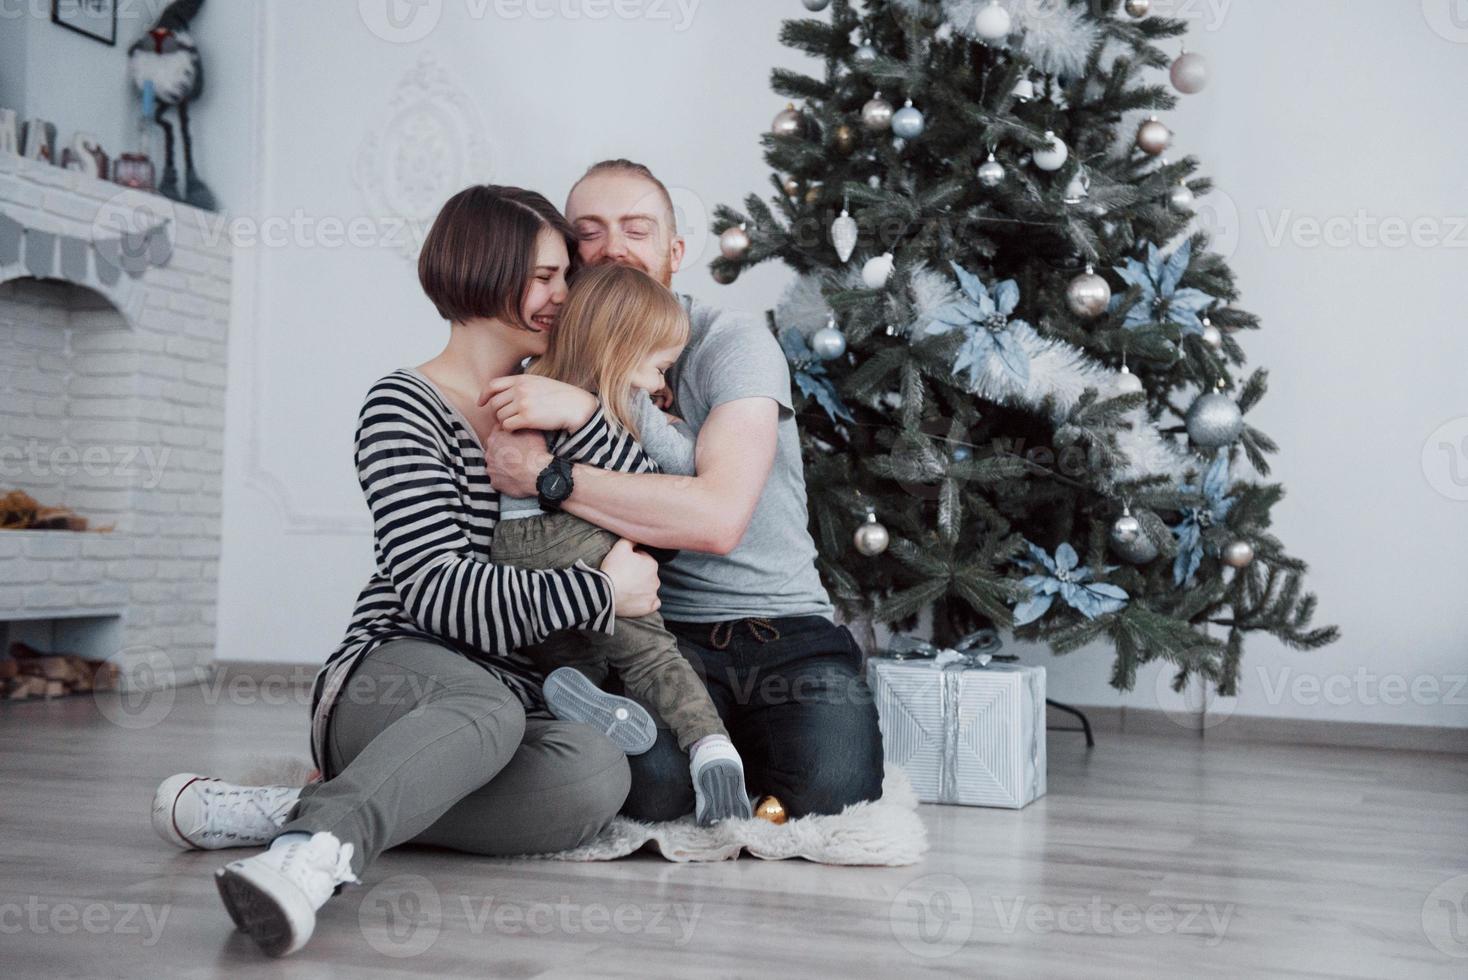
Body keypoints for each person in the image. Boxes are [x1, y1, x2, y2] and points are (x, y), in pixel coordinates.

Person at [149, 185, 656, 958]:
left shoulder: (556, 399)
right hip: (396, 674)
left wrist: (581, 417)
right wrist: (600, 593)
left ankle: (301, 805)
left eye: (565, 275)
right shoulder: (402, 405)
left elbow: (645, 499)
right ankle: (305, 860)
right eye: (546, 275)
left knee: (594, 776)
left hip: (513, 703)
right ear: (484, 269)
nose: (564, 293)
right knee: (487, 711)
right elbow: (438, 592)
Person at [480, 160, 885, 822]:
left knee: (833, 791)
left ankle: (762, 746)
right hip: (660, 634)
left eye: (635, 229)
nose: (613, 248)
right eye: (590, 232)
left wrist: (553, 478)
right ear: (570, 254)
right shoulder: (553, 367)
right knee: (651, 791)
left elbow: (716, 520)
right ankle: (702, 746)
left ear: (674, 252)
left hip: (782, 627)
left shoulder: (731, 343)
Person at [488, 261, 753, 825]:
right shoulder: (621, 402)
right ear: (624, 350)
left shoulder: (532, 380)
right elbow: (676, 474)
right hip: (585, 542)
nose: (660, 383)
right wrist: (672, 427)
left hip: (512, 548)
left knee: (565, 647)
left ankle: (582, 695)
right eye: (658, 367)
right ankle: (711, 749)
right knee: (651, 653)